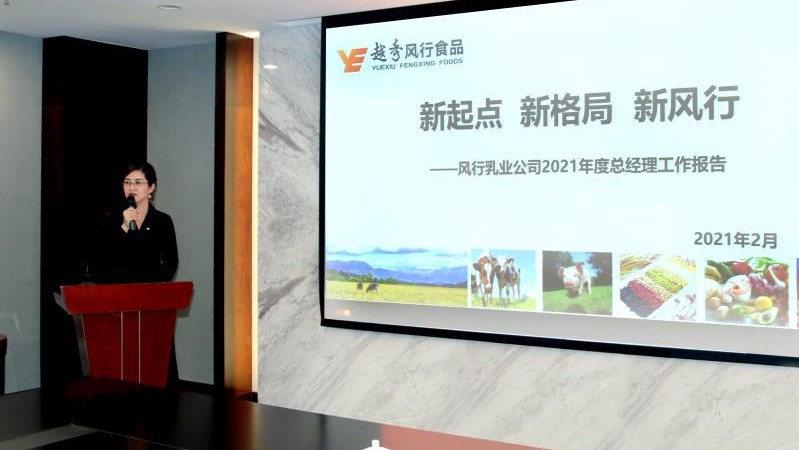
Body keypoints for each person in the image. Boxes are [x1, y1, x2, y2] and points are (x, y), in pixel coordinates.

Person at [88, 161, 178, 283]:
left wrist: (151, 287)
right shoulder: (112, 219)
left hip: (150, 291)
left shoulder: (162, 221)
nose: (131, 188)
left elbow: (171, 264)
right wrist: (123, 227)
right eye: (127, 182)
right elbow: (97, 262)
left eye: (138, 182)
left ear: (151, 187)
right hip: (117, 291)